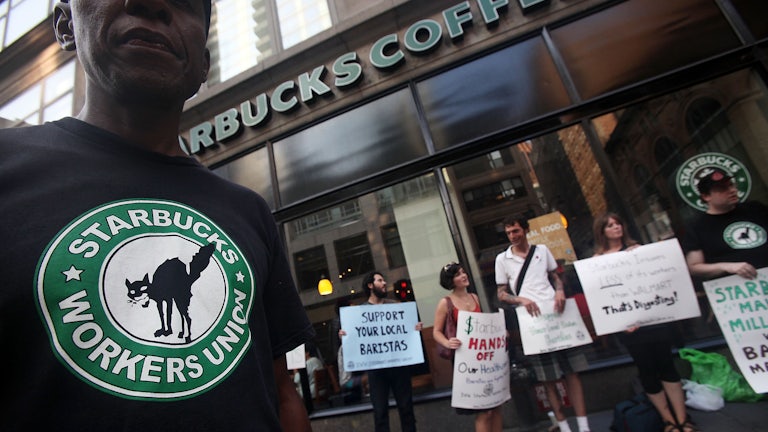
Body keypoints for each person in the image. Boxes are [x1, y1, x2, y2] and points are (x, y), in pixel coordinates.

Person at [0, 1, 314, 431]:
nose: (149, 3)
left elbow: (282, 395)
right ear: (65, 25)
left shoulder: (249, 211)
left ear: (203, 65)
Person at [593, 213, 697, 432]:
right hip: (630, 328)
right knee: (647, 370)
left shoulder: (638, 251)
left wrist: (639, 255)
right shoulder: (598, 261)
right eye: (610, 225)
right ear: (602, 231)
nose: (616, 228)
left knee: (667, 365)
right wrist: (620, 321)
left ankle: (682, 418)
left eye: (618, 223)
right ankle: (668, 420)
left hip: (654, 321)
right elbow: (603, 297)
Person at [495, 216, 591, 432]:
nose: (513, 236)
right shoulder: (503, 259)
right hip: (533, 321)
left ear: (526, 230)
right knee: (548, 379)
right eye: (509, 233)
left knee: (572, 373)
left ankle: (584, 427)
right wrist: (521, 299)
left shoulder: (542, 250)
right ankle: (564, 426)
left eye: (516, 231)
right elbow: (501, 293)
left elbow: (556, 275)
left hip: (557, 314)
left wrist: (559, 291)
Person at [339, 271, 422, 432]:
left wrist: (414, 328)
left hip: (399, 367)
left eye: (384, 280)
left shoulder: (395, 306)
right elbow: (356, 338)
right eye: (380, 280)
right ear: (370, 285)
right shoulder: (360, 312)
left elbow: (406, 330)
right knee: (380, 412)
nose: (384, 283)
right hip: (376, 370)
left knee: (406, 409)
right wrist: (345, 335)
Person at [434, 262, 503, 432]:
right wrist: (447, 342)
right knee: (482, 410)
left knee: (495, 406)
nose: (463, 276)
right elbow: (436, 331)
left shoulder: (475, 297)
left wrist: (500, 333)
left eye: (463, 272)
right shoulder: (445, 303)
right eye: (458, 275)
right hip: (465, 362)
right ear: (451, 281)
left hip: (485, 359)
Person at [682, 168, 768, 280]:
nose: (732, 190)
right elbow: (694, 267)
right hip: (740, 290)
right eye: (722, 188)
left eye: (731, 185)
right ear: (706, 197)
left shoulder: (755, 209)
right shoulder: (698, 226)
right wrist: (726, 266)